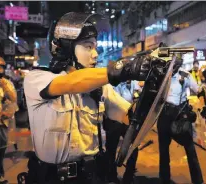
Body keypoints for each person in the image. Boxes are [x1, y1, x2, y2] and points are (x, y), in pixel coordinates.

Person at [23, 12, 164, 183]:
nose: (96, 54)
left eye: (95, 47)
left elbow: (131, 117)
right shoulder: (37, 78)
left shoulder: (100, 87)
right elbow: (72, 82)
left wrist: (154, 84)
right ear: (66, 47)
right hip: (51, 178)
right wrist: (124, 69)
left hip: (92, 176)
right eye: (88, 46)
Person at [157, 58, 206, 184]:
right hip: (164, 115)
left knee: (190, 149)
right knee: (163, 151)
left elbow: (199, 90)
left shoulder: (185, 75)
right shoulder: (161, 74)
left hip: (180, 116)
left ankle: (198, 180)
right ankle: (164, 179)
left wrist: (205, 106)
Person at [103, 80, 142, 184]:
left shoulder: (132, 83)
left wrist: (137, 94)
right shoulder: (111, 84)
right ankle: (111, 176)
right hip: (113, 119)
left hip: (128, 119)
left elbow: (138, 91)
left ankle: (128, 176)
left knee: (133, 147)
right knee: (111, 149)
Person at [0, 56, 18, 184]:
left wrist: (2, 83)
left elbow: (12, 98)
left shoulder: (5, 83)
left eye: (0, 67)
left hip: (1, 123)